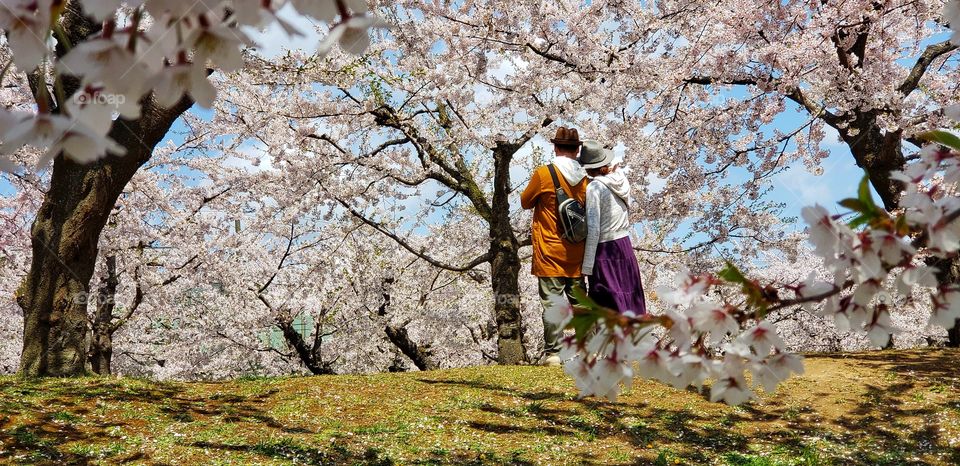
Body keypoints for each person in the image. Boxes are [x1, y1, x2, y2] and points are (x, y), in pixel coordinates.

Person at [520, 127, 588, 367]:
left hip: (549, 250)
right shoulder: (586, 179)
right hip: (577, 251)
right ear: (577, 149)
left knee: (552, 303)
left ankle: (554, 354)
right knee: (579, 301)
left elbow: (525, 202)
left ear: (555, 147)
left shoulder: (544, 174)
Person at [578, 140, 647, 315]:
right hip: (624, 244)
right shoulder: (621, 180)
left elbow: (593, 228)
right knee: (630, 297)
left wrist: (587, 266)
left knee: (608, 301)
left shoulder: (595, 187)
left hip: (605, 249)